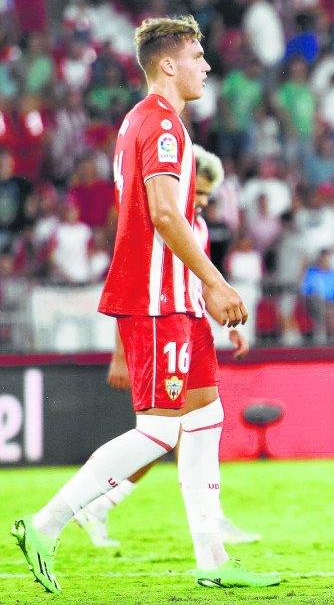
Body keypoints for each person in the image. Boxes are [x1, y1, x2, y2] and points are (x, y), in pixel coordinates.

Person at [11, 15, 277, 593]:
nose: (207, 65)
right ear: (168, 64)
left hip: (177, 300)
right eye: (198, 55)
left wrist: (202, 291)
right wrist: (215, 282)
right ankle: (46, 524)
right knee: (157, 433)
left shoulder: (145, 123)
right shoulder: (160, 127)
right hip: (159, 301)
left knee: (205, 420)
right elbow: (161, 214)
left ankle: (213, 561)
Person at [73, 144, 261, 548]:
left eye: (209, 195)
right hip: (157, 333)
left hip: (189, 332)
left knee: (183, 431)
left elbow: (200, 285)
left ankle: (101, 507)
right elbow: (133, 287)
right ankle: (84, 507)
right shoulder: (157, 224)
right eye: (200, 190)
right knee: (168, 432)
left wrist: (227, 326)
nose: (204, 200)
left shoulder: (201, 230)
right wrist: (120, 354)